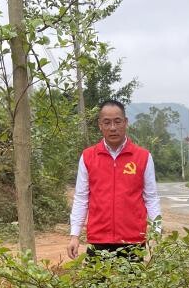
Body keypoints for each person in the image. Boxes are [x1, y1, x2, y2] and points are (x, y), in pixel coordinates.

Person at [67, 99, 162, 261]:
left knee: (133, 279)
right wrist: (74, 235)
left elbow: (151, 198)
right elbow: (81, 198)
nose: (112, 127)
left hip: (133, 242)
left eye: (117, 121)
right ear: (100, 125)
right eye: (107, 122)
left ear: (125, 122)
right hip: (98, 240)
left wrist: (156, 232)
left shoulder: (143, 157)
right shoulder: (88, 157)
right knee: (96, 279)